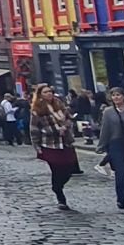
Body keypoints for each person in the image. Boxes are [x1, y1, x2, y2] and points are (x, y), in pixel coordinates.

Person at [28, 84, 80, 212]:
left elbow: (69, 118)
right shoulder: (37, 110)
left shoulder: (60, 104)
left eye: (50, 91)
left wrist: (65, 127)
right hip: (50, 144)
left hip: (66, 142)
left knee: (69, 170)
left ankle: (57, 187)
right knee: (57, 170)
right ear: (40, 95)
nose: (49, 94)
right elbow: (34, 129)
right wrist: (37, 146)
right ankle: (60, 198)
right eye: (45, 92)